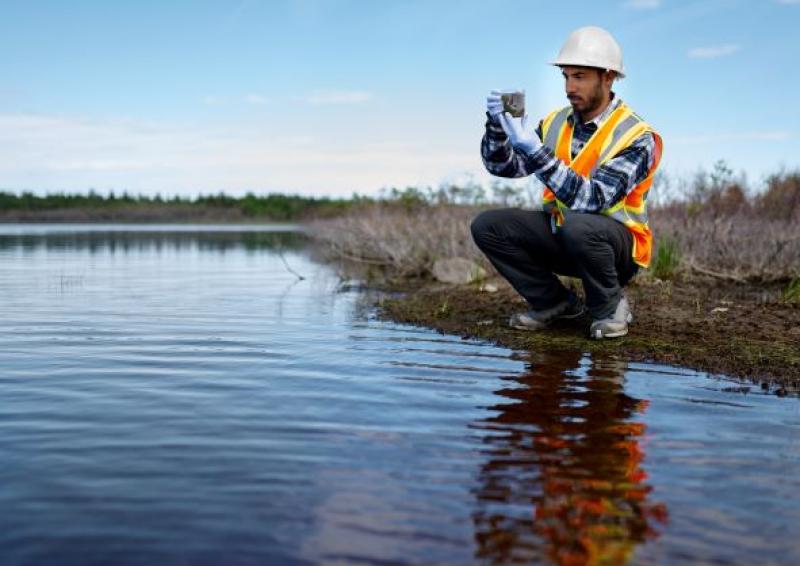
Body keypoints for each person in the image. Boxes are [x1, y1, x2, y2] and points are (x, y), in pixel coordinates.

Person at [471, 26, 663, 339]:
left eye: (580, 76)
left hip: (616, 250)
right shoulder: (555, 122)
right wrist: (496, 127)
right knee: (488, 226)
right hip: (564, 235)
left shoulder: (637, 136)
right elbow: (502, 166)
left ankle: (609, 307)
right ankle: (554, 304)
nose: (569, 87)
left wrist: (535, 151)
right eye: (566, 76)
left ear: (608, 77)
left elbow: (594, 199)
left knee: (580, 224)